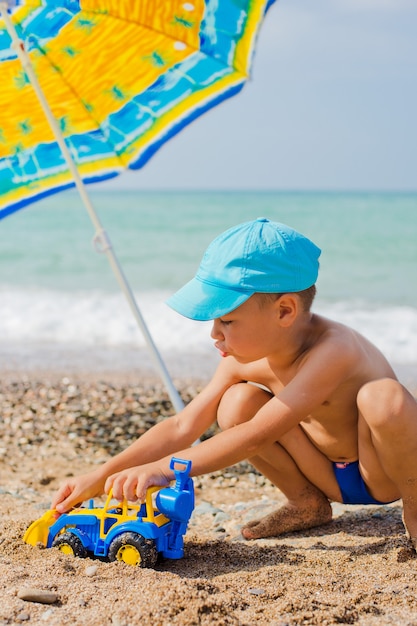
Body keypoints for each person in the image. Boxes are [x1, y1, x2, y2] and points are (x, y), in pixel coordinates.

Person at [52, 218, 417, 548]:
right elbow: (182, 425)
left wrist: (163, 469)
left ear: (285, 311)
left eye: (226, 321)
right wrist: (102, 476)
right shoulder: (242, 361)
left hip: (381, 473)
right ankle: (306, 503)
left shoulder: (335, 350)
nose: (214, 334)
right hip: (324, 474)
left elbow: (257, 435)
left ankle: (415, 513)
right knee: (236, 402)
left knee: (384, 398)